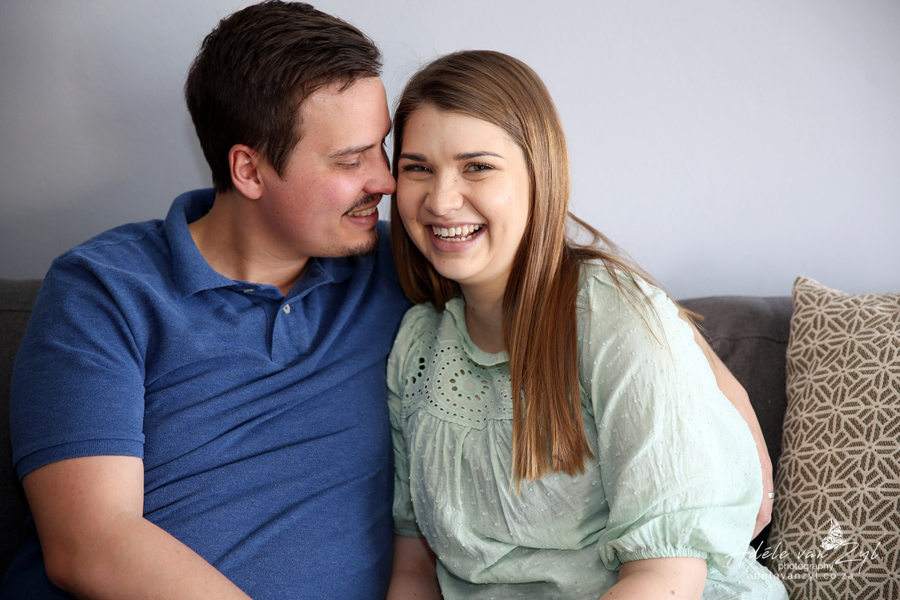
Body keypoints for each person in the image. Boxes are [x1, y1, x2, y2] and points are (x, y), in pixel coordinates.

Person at [1, 2, 409, 599]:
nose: (385, 181)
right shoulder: (105, 290)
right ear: (249, 170)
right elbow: (90, 543)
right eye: (351, 160)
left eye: (381, 147)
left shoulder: (399, 267)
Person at [384, 50, 788, 599]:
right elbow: (413, 569)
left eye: (477, 166)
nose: (441, 199)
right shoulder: (417, 345)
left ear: (539, 175)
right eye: (417, 168)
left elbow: (666, 577)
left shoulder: (610, 314)